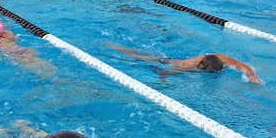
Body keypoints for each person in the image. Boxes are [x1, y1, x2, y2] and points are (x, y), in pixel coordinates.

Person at [111, 44, 261, 84]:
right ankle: (118, 49)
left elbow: (242, 65)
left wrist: (252, 75)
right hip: (170, 62)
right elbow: (164, 72)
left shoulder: (222, 58)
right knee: (142, 57)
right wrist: (163, 77)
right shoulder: (189, 67)